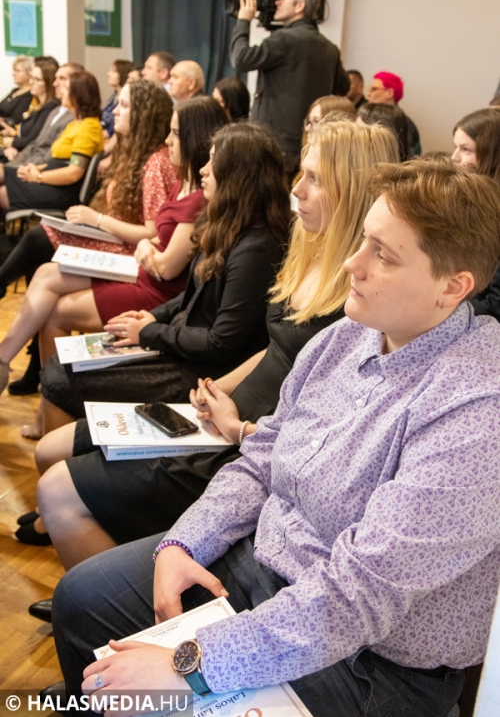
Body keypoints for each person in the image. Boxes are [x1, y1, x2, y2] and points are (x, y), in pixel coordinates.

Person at [50, 159, 500, 717]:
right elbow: (261, 458)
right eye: (363, 240)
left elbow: (359, 595)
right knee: (81, 598)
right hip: (265, 568)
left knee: (142, 691)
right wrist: (186, 542)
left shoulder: (478, 409)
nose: (352, 263)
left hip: (369, 662)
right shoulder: (347, 336)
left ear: (452, 287)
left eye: (383, 255)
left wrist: (191, 664)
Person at [31, 119, 399, 568]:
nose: (297, 190)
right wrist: (216, 390)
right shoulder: (307, 249)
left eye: (315, 179)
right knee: (57, 456)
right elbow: (276, 351)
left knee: (59, 488)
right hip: (227, 416)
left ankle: (110, 590)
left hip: (250, 444)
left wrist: (238, 426)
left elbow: (327, 431)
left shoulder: (360, 295)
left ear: (352, 191)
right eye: (301, 174)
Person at [0, 97, 227, 442]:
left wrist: (142, 244)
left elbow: (166, 266)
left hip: (156, 291)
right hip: (143, 272)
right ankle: (27, 384)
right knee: (46, 272)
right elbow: (157, 239)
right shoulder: (182, 184)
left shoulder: (196, 196)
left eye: (176, 134)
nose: (168, 141)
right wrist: (147, 246)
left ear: (194, 138)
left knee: (54, 309)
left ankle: (52, 404)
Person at [2, 79, 176, 402]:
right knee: (43, 263)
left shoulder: (155, 161)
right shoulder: (135, 152)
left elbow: (152, 233)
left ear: (144, 114)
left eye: (124, 105)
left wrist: (96, 220)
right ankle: (10, 362)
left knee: (41, 247)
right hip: (120, 244)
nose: (115, 111)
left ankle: (11, 363)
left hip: (135, 257)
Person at [230, 0, 350, 176]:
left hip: (273, 143)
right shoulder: (330, 49)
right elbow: (343, 88)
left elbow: (241, 59)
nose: (276, 1)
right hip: (309, 144)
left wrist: (243, 20)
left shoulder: (284, 39)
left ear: (299, 6)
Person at [0, 71, 104, 213]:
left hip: (62, 190)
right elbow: (60, 161)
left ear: (78, 94)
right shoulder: (75, 124)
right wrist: (35, 169)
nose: (61, 91)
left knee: (1, 193)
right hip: (49, 179)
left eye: (66, 88)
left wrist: (38, 177)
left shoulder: (89, 127)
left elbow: (74, 172)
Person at [451, 107, 500, 322]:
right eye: (456, 147)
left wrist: (438, 309)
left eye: (466, 149)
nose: (454, 157)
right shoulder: (469, 202)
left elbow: (495, 303)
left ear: (492, 155)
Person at [0, 63, 83, 176]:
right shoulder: (55, 111)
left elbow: (49, 154)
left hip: (39, 170)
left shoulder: (70, 115)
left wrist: (17, 169)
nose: (55, 83)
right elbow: (35, 144)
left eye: (62, 78)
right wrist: (10, 167)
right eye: (56, 78)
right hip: (26, 162)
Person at [0, 60, 58, 161]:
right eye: (31, 78)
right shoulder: (37, 106)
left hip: (28, 157)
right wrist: (13, 133)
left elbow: (32, 141)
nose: (31, 82)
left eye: (37, 79)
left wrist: (7, 142)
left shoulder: (49, 108)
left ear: (48, 83)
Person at [367, 71, 421, 157]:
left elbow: (406, 159)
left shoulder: (405, 124)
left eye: (374, 89)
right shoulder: (371, 117)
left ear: (389, 93)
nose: (369, 94)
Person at [100, 59, 135, 138]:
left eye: (113, 71)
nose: (108, 74)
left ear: (123, 74)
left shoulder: (127, 99)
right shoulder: (114, 96)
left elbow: (111, 130)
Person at [0, 55, 34, 124]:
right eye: (14, 70)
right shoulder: (15, 91)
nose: (13, 74)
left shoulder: (29, 95)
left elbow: (16, 119)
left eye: (18, 71)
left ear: (29, 73)